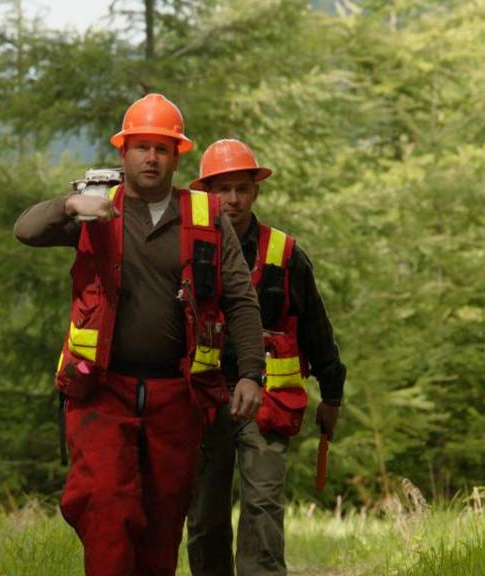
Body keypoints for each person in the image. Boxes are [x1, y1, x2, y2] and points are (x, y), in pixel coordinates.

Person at [13, 93, 265, 576]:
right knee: (107, 506)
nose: (151, 158)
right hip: (103, 392)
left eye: (162, 149)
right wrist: (68, 203)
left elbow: (240, 299)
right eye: (142, 147)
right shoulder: (94, 208)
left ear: (177, 156)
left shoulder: (207, 216)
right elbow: (26, 230)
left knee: (165, 517)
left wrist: (251, 373)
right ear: (122, 153)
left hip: (179, 395)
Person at [185, 139, 347, 576]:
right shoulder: (189, 248)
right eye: (222, 190)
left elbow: (317, 330)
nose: (232, 200)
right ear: (205, 194)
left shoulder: (286, 255)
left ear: (255, 191)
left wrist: (331, 395)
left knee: (262, 507)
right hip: (206, 400)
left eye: (241, 189)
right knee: (204, 515)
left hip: (269, 402)